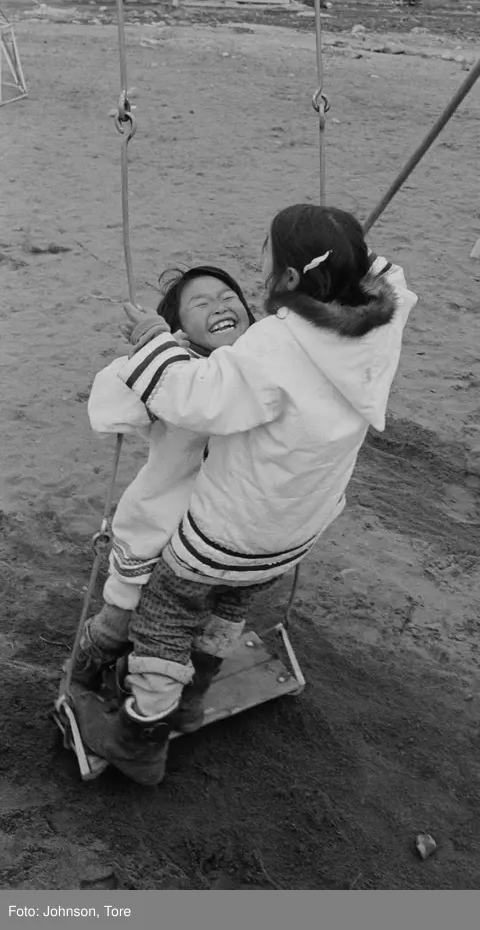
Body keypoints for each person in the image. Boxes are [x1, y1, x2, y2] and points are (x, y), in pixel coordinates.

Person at [74, 204, 417, 785]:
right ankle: (191, 695)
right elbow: (388, 275)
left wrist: (154, 340)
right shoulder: (383, 320)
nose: (224, 301)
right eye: (199, 303)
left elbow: (193, 396)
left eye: (264, 257)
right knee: (231, 604)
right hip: (297, 530)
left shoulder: (271, 349)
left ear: (284, 282)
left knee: (163, 614)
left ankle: (142, 734)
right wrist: (338, 250)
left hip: (230, 529)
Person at [71, 266, 256, 706]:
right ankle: (86, 668)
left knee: (208, 622)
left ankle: (178, 690)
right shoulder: (176, 374)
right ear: (180, 332)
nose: (220, 305)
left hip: (223, 535)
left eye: (229, 296)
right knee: (121, 620)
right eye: (201, 303)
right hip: (161, 528)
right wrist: (154, 347)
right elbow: (115, 399)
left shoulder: (263, 367)